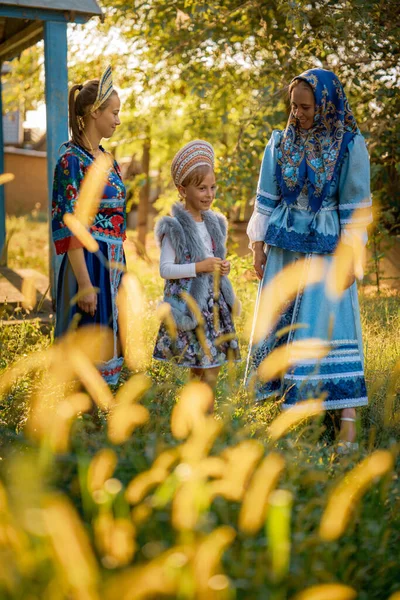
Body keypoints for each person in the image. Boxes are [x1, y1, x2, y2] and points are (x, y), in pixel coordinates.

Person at [246, 68, 372, 451]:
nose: (297, 113)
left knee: (330, 325)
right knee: (280, 322)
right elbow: (265, 196)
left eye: (305, 106)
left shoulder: (350, 145)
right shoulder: (280, 142)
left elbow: (356, 206)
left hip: (327, 249)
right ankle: (281, 416)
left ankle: (346, 428)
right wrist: (257, 248)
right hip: (285, 246)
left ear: (326, 105)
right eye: (294, 106)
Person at [51, 66, 126, 385]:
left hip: (113, 265)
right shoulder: (71, 161)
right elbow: (70, 226)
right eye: (114, 112)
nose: (118, 120)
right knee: (88, 349)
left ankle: (103, 424)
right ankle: (83, 423)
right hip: (89, 267)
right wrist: (84, 283)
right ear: (94, 113)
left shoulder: (107, 159)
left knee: (111, 347)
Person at [153, 140, 240, 403]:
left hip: (213, 306)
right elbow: (165, 270)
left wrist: (222, 267)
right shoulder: (175, 227)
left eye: (212, 187)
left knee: (211, 366)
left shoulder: (214, 223)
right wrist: (199, 267)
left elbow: (215, 259)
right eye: (202, 188)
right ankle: (196, 415)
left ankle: (205, 415)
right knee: (198, 367)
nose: (209, 194)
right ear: (183, 190)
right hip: (190, 305)